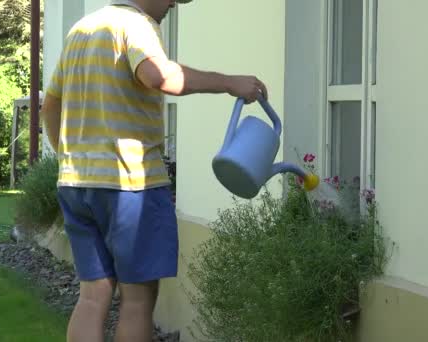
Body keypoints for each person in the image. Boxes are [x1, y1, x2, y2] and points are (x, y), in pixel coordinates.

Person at [40, 0, 268, 341]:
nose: (173, 6)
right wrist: (228, 82)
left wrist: (68, 155)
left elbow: (51, 104)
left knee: (92, 296)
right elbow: (158, 76)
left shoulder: (81, 30)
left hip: (76, 184)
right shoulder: (135, 25)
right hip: (130, 186)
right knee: (137, 301)